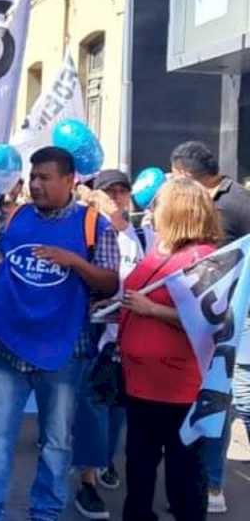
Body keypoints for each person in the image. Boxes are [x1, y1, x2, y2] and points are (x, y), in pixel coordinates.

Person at [0, 146, 119, 521]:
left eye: (44, 177)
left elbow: (110, 283)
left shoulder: (94, 225)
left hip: (65, 353)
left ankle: (46, 513)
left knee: (55, 443)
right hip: (9, 348)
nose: (35, 184)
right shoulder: (16, 215)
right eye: (33, 176)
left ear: (69, 180)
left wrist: (73, 262)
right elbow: (0, 258)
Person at [119, 177, 222, 521]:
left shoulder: (206, 259)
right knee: (139, 468)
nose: (152, 210)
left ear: (178, 210)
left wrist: (153, 311)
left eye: (159, 204)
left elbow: (208, 320)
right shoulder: (160, 248)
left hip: (178, 389)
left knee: (183, 476)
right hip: (139, 381)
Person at [170, 141, 250, 514]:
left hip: (232, 320)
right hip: (196, 315)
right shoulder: (189, 202)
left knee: (220, 396)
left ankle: (213, 485)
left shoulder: (237, 204)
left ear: (187, 175)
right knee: (196, 396)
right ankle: (194, 478)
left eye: (175, 175)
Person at [70, 169, 146, 519]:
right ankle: (87, 480)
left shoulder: (144, 236)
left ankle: (104, 460)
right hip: (93, 337)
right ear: (95, 195)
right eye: (109, 191)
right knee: (92, 408)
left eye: (122, 190)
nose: (116, 196)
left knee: (117, 411)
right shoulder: (87, 232)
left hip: (129, 340)